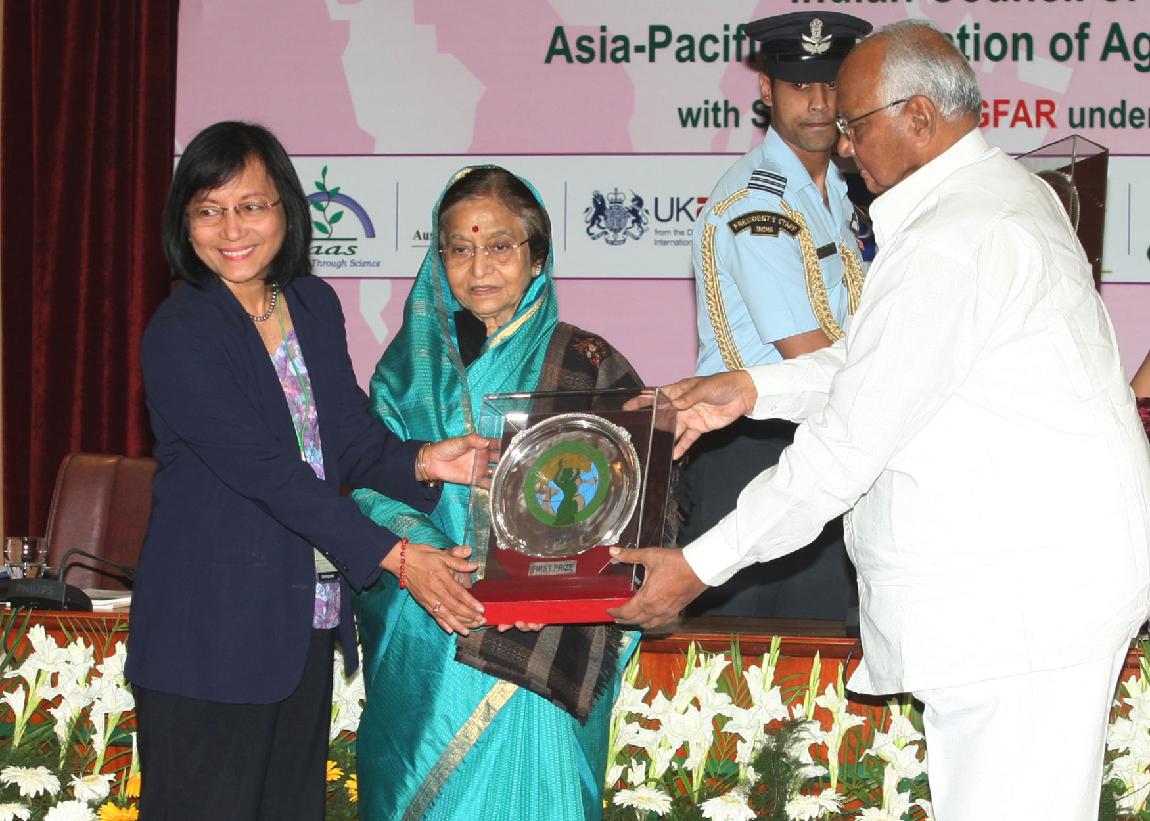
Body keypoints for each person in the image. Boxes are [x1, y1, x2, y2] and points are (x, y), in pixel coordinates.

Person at [610, 21, 1150, 821]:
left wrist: (699, 565)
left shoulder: (953, 238)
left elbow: (848, 443)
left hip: (1018, 604)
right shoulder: (993, 198)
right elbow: (884, 362)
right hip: (1027, 592)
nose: (844, 143)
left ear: (919, 117)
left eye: (855, 123)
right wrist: (751, 389)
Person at [125, 121, 491, 821]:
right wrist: (396, 555)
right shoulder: (181, 332)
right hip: (209, 637)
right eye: (209, 209)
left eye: (251, 205)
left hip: (300, 627)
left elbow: (345, 435)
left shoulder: (311, 304)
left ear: (286, 210)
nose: (232, 228)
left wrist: (423, 458)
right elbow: (269, 473)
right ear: (184, 223)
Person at [351, 165, 644, 820]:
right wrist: (434, 562)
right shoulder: (406, 371)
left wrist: (547, 587)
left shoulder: (588, 364)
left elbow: (630, 501)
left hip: (544, 633)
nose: (479, 266)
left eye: (500, 246)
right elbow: (368, 481)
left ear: (537, 257)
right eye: (460, 248)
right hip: (433, 620)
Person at [681, 11, 871, 619]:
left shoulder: (841, 191)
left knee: (819, 657)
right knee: (732, 666)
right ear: (766, 90)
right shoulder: (756, 206)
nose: (819, 103)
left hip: (822, 442)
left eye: (832, 84)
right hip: (752, 446)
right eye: (799, 85)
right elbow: (808, 353)